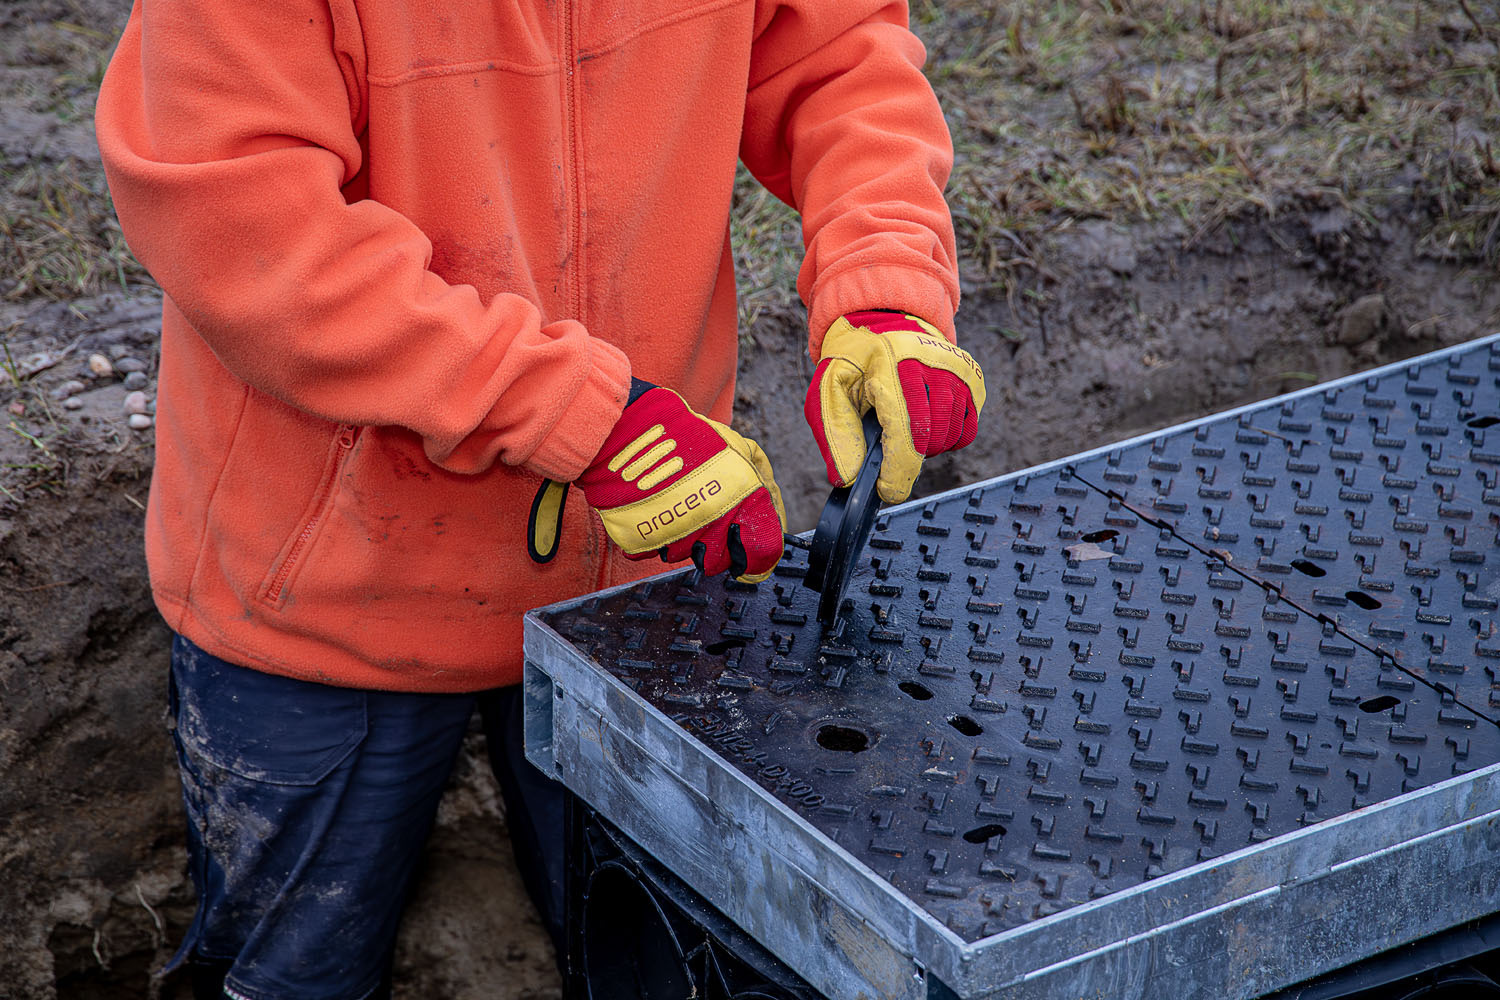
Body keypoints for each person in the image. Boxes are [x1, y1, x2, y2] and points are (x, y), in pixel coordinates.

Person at [95, 0, 986, 997]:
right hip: (331, 591)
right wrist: (578, 416)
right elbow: (251, 233)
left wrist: (884, 282)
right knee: (293, 976)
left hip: (635, 565)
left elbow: (835, 59)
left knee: (662, 958)